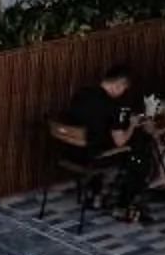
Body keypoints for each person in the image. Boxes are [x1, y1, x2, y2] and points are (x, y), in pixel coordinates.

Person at [61, 66, 146, 211]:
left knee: (99, 142)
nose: (122, 94)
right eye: (123, 89)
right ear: (119, 85)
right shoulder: (112, 106)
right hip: (92, 158)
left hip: (69, 152)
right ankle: (124, 203)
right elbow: (120, 141)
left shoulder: (81, 94)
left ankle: (96, 195)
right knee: (139, 152)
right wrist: (132, 125)